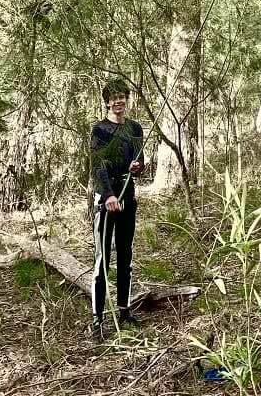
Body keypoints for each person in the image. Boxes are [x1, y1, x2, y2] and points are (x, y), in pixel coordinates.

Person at [89, 82, 145, 339]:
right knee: (102, 260)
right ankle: (98, 319)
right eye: (113, 98)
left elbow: (140, 161)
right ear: (107, 102)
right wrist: (109, 194)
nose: (118, 102)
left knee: (125, 255)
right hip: (106, 198)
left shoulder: (134, 128)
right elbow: (97, 165)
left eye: (122, 97)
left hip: (128, 196)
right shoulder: (99, 130)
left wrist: (137, 167)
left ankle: (124, 311)